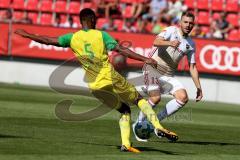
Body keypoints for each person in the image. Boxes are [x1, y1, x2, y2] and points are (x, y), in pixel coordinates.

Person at [15, 8, 178, 153]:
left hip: (95, 86)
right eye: (96, 19)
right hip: (109, 76)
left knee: (124, 110)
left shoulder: (72, 38)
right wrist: (145, 59)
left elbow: (48, 40)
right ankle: (158, 126)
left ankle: (126, 144)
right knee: (139, 99)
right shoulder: (101, 34)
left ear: (80, 21)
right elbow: (121, 49)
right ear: (92, 20)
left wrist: (28, 35)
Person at [133, 11, 203, 142]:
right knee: (155, 97)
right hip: (152, 69)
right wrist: (169, 43)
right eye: (185, 22)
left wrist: (198, 87)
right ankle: (137, 124)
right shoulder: (171, 31)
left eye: (191, 23)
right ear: (180, 22)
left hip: (168, 75)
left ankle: (154, 124)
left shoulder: (191, 44)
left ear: (193, 25)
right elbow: (156, 41)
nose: (188, 25)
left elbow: (192, 67)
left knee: (183, 97)